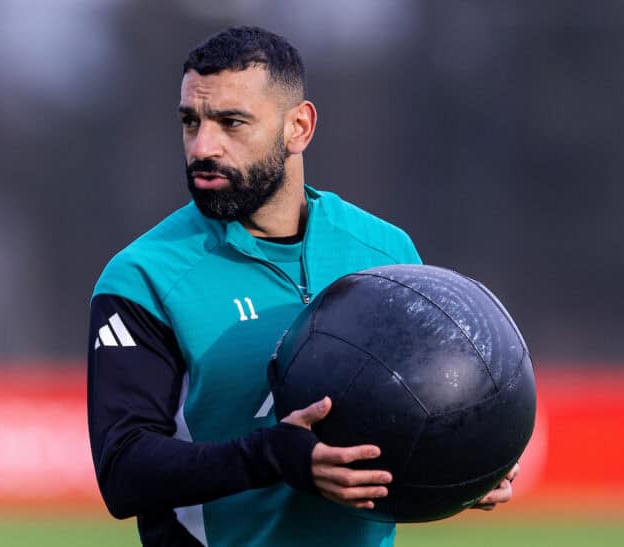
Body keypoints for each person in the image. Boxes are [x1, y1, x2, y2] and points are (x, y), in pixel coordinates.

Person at [87, 26, 517, 547]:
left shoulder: (386, 254)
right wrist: (276, 456)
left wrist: (464, 461)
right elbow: (124, 470)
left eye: (231, 123)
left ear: (299, 127)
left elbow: (412, 419)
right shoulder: (144, 276)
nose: (203, 147)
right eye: (190, 121)